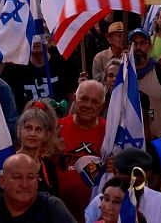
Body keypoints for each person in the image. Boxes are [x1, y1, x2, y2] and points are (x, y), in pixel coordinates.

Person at [0, 153, 76, 223]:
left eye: (30, 177)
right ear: (3, 181)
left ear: (37, 181)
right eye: (18, 177)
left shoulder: (52, 206)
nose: (25, 184)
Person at [56, 80, 106, 221]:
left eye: (95, 101)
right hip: (60, 214)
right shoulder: (58, 128)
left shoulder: (110, 132)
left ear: (102, 106)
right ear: (74, 99)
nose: (88, 105)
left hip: (96, 215)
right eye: (84, 99)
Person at [84, 147, 161, 223]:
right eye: (126, 174)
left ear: (147, 175)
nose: (131, 180)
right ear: (114, 172)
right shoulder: (99, 202)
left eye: (136, 174)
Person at [129, 28, 161, 153]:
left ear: (150, 46)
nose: (138, 47)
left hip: (156, 142)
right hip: (126, 141)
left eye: (143, 43)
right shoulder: (121, 73)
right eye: (134, 43)